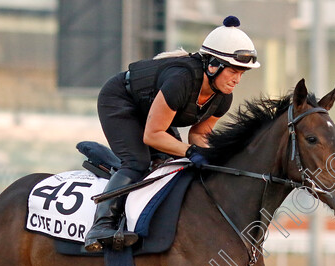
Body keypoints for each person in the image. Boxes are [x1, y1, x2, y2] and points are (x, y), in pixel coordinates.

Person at [84, 16, 260, 252]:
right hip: (121, 101)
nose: (237, 80)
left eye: (242, 73)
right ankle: (101, 225)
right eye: (233, 71)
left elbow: (199, 135)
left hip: (150, 109)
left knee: (172, 165)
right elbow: (153, 136)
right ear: (212, 65)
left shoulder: (222, 98)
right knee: (138, 161)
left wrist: (213, 156)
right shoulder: (182, 81)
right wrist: (191, 152)